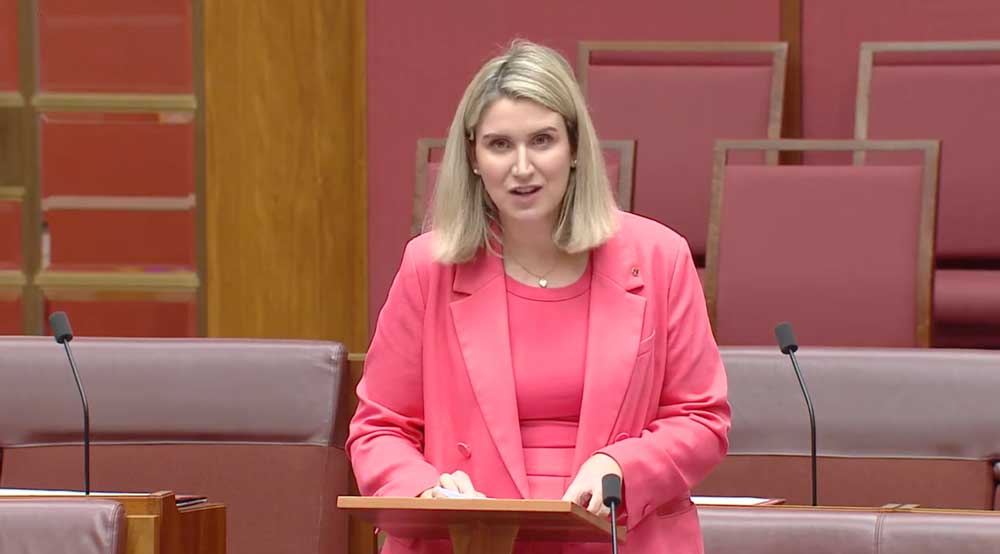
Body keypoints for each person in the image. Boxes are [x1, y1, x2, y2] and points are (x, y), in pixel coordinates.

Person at [347, 40, 730, 553]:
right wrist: (425, 491)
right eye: (500, 145)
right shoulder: (429, 266)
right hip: (470, 541)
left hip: (622, 537)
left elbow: (701, 419)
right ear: (474, 158)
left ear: (574, 149)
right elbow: (380, 428)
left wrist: (623, 467)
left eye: (542, 141)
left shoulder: (660, 257)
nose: (522, 167)